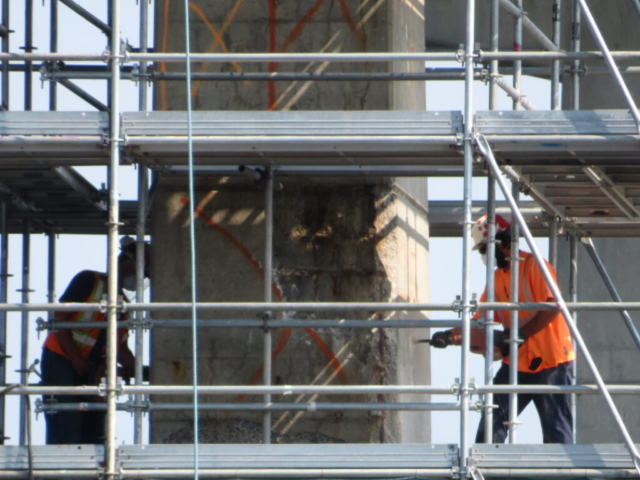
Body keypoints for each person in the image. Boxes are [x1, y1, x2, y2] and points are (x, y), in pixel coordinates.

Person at [430, 214, 575, 444]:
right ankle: (486, 473)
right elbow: (479, 323)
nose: (483, 255)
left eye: (484, 249)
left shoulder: (536, 266)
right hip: (517, 362)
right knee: (491, 424)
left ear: (501, 243)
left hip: (551, 362)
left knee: (557, 434)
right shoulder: (497, 277)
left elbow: (552, 308)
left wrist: (519, 334)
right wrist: (448, 336)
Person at [41, 236, 149, 444]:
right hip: (61, 359)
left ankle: (90, 471)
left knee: (95, 423)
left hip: (91, 367)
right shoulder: (90, 281)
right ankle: (61, 471)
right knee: (67, 420)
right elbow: (59, 319)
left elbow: (119, 347)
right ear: (126, 266)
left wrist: (137, 371)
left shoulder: (123, 308)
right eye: (140, 274)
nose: (138, 282)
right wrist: (75, 359)